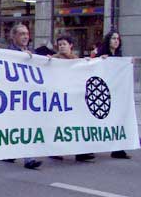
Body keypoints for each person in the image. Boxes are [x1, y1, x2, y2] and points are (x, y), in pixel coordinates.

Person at [1, 24, 43, 169]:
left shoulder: (31, 53)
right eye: (21, 34)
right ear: (13, 37)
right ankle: (11, 153)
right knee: (15, 125)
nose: (25, 36)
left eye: (27, 33)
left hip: (27, 97)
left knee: (26, 125)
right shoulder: (7, 54)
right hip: (13, 96)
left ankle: (28, 158)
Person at [48, 35, 95, 162]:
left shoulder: (76, 60)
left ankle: (80, 152)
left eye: (64, 44)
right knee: (59, 125)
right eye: (60, 44)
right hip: (58, 97)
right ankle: (55, 150)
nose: (62, 46)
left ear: (70, 45)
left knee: (76, 124)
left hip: (74, 97)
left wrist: (98, 60)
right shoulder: (52, 59)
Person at [98, 30, 131, 159]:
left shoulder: (118, 55)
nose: (116, 41)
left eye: (118, 38)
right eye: (113, 38)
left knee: (117, 120)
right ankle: (85, 150)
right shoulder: (102, 54)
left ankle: (118, 149)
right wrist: (100, 60)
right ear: (108, 40)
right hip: (102, 93)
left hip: (115, 93)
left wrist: (128, 64)